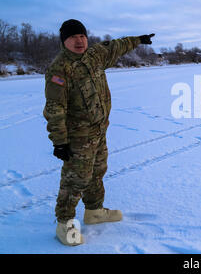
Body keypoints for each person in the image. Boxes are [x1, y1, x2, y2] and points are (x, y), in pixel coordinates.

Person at [43, 19, 154, 246]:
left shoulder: (95, 56)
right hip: (78, 135)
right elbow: (55, 109)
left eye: (82, 36)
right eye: (73, 37)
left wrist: (139, 40)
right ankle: (64, 223)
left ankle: (94, 211)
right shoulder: (59, 69)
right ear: (64, 41)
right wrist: (60, 142)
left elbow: (116, 46)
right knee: (76, 179)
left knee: (98, 171)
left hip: (100, 129)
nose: (79, 41)